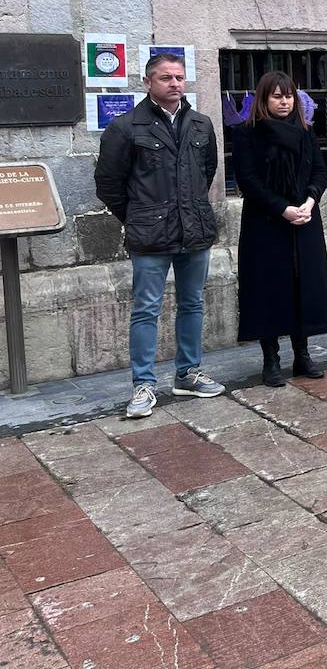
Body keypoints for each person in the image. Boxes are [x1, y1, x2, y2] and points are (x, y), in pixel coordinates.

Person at [94, 52, 224, 418]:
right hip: (150, 236)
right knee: (146, 309)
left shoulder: (201, 124)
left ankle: (188, 374)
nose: (175, 84)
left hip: (194, 230)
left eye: (180, 77)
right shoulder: (126, 127)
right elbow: (109, 184)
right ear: (148, 82)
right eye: (166, 78)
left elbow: (207, 170)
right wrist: (139, 215)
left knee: (193, 303)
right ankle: (143, 385)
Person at [231, 71, 327, 386]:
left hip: (304, 219)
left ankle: (302, 355)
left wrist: (310, 201)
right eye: (277, 96)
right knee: (269, 289)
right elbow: (248, 180)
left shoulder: (305, 131)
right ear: (264, 98)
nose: (284, 101)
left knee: (303, 285)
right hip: (266, 222)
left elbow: (319, 170)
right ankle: (271, 359)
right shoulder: (247, 134)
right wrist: (282, 209)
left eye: (288, 95)